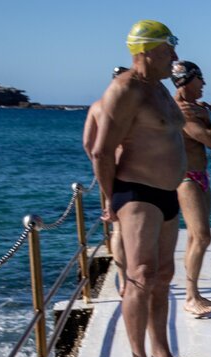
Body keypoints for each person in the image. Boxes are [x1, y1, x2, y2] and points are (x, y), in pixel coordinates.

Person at [90, 20, 205, 357]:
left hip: (167, 192)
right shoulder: (125, 89)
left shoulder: (157, 90)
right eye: (167, 50)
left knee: (163, 276)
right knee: (139, 275)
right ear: (145, 51)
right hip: (136, 192)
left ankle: (163, 355)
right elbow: (100, 149)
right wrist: (111, 200)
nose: (173, 57)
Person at [171, 60, 211, 316]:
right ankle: (190, 297)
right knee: (202, 236)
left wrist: (207, 116)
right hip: (186, 178)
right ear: (188, 80)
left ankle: (195, 292)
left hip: (201, 175)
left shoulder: (194, 109)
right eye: (200, 78)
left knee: (195, 237)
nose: (204, 83)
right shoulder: (180, 111)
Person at [83, 66, 129, 293]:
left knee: (118, 230)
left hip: (107, 170)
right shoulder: (130, 106)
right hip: (131, 168)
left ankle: (123, 279)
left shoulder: (97, 107)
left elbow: (88, 144)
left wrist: (98, 166)